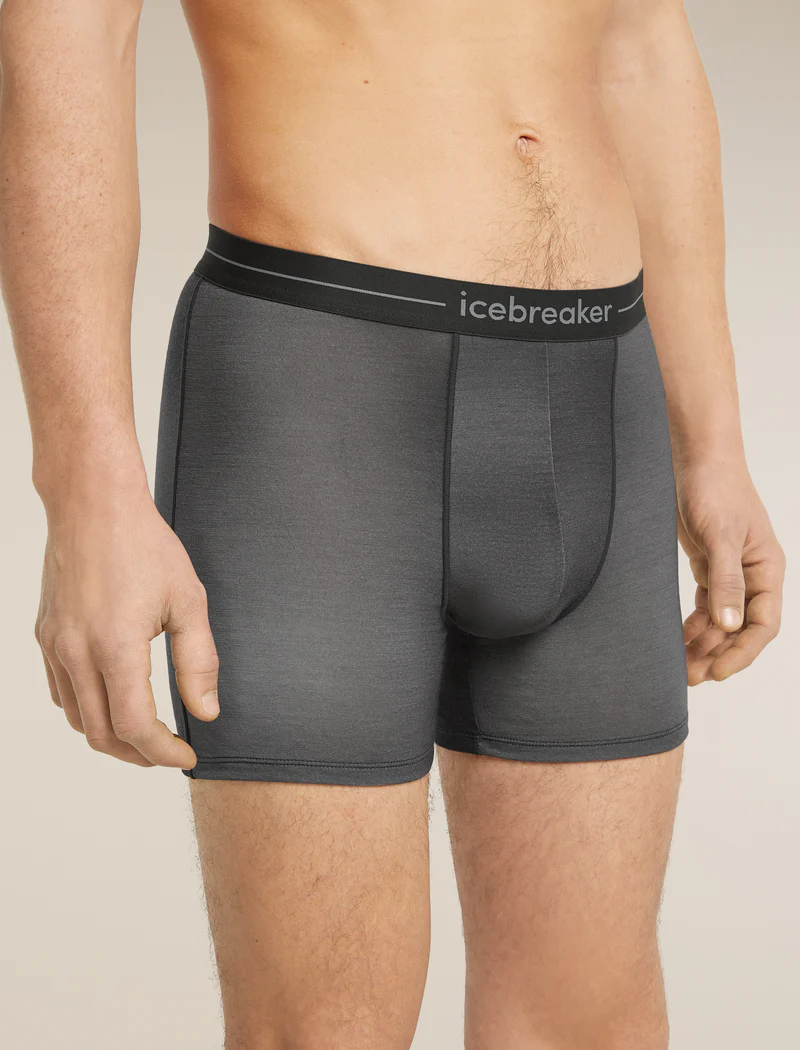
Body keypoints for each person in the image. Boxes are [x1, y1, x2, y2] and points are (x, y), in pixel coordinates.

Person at [0, 0, 785, 1047]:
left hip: (599, 394)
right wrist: (84, 489)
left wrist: (712, 443)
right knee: (323, 1031)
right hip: (320, 397)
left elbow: (640, 44)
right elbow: (70, 35)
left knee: (587, 1026)